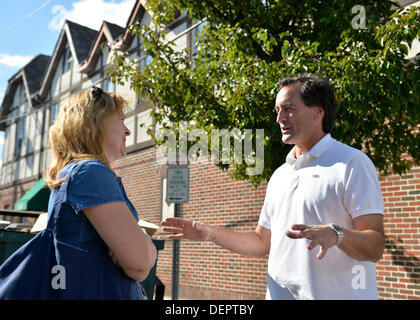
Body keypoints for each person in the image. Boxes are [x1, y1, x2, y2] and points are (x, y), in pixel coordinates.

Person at [161, 75, 385, 300]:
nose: (279, 118)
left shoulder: (351, 163)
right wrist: (211, 233)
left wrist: (336, 234)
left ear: (318, 112)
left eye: (288, 108)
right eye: (277, 110)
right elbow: (261, 242)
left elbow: (375, 246)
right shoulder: (280, 174)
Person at [43, 86, 156, 298]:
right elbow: (139, 263)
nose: (128, 130)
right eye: (121, 119)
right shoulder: (90, 172)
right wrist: (146, 245)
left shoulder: (75, 172)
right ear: (96, 123)